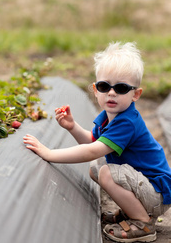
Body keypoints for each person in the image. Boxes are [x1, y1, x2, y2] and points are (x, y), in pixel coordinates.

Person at [23, 42, 171, 243]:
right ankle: (132, 211)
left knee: (106, 172)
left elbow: (92, 150)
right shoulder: (108, 115)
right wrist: (72, 126)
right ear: (95, 89)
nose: (111, 93)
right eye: (104, 86)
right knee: (97, 168)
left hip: (156, 192)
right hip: (144, 185)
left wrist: (49, 153)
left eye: (121, 88)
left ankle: (142, 223)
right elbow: (93, 141)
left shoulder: (127, 121)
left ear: (135, 94)